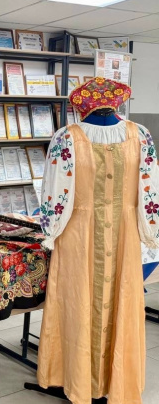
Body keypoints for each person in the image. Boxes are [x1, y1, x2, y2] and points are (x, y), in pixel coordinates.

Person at [37, 77, 159, 404]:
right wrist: (53, 230)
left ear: (81, 106)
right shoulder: (69, 137)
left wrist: (49, 231)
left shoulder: (138, 135)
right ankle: (80, 379)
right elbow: (56, 191)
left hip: (108, 234)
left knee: (104, 300)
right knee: (78, 301)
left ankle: (102, 381)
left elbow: (150, 187)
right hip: (85, 234)